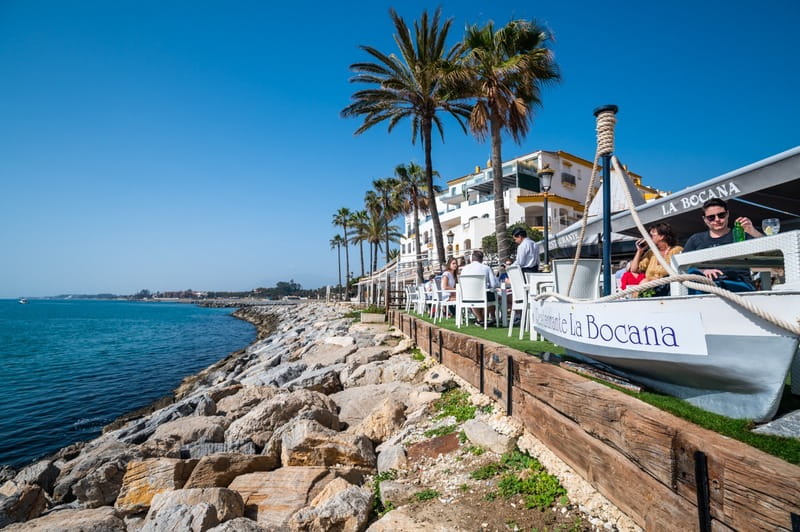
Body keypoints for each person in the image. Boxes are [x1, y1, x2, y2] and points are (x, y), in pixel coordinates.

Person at [683, 198, 763, 292]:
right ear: (704, 219)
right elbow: (683, 266)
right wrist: (703, 271)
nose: (717, 220)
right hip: (705, 285)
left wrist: (753, 232)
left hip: (738, 283)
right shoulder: (695, 239)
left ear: (727, 214)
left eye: (721, 215)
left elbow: (769, 251)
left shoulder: (740, 234)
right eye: (711, 217)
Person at [628, 223, 683, 297]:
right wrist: (639, 251)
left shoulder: (676, 250)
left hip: (668, 289)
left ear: (661, 236)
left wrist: (651, 280)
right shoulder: (650, 253)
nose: (649, 238)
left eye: (652, 236)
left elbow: (671, 271)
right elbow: (634, 269)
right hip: (650, 290)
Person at [460, 249, 499, 326]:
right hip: (482, 296)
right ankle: (484, 319)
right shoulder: (486, 268)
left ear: (472, 259)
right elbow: (494, 285)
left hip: (467, 297)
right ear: (481, 259)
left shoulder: (464, 269)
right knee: (492, 296)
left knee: (475, 300)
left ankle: (481, 319)